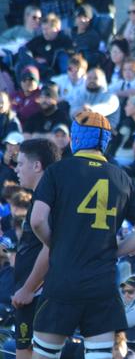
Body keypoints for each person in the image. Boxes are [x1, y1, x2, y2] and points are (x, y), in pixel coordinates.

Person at [29, 111, 135, 359]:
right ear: (105, 141)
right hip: (102, 283)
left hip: (63, 280)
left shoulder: (57, 171)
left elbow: (37, 220)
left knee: (44, 355)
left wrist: (55, 245)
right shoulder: (122, 177)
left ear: (76, 138)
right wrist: (115, 250)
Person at [10, 138, 60, 359]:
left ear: (37, 165)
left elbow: (50, 248)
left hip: (37, 295)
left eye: (20, 164)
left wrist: (28, 289)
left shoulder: (49, 201)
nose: (17, 169)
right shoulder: (40, 198)